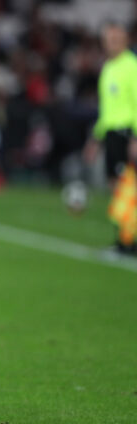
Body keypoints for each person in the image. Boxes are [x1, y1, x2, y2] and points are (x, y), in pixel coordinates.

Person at [83, 21, 137, 253]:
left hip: (127, 132)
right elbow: (106, 109)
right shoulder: (107, 68)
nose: (111, 44)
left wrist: (135, 138)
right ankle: (123, 240)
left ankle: (128, 243)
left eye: (116, 39)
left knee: (128, 187)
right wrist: (95, 139)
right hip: (111, 134)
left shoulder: (131, 66)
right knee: (115, 186)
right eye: (108, 40)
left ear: (125, 40)